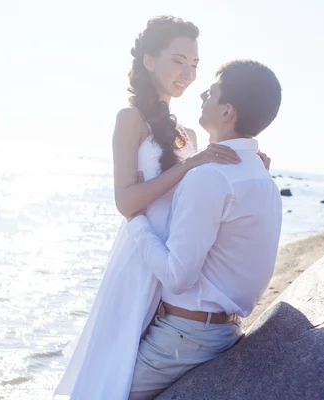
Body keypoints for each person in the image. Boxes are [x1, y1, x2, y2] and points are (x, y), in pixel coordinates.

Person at [54, 16, 270, 399]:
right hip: (141, 257)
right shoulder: (130, 119)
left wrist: (248, 166)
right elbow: (126, 201)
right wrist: (190, 164)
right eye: (178, 60)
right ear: (149, 61)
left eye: (194, 65)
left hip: (172, 260)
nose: (187, 73)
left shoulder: (187, 133)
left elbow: (203, 194)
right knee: (110, 369)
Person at [126, 59, 283, 399]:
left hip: (185, 338)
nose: (202, 96)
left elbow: (178, 276)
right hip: (216, 331)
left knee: (100, 391)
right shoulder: (261, 177)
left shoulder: (211, 176)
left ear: (227, 111)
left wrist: (136, 220)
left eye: (211, 91)